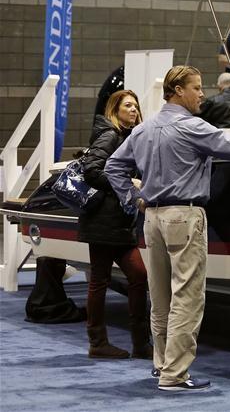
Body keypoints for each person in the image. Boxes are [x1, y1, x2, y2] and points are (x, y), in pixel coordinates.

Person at [105, 65, 230, 392]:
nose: (202, 94)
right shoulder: (192, 127)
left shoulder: (143, 130)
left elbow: (113, 166)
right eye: (197, 87)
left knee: (160, 297)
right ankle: (175, 375)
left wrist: (134, 199)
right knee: (187, 297)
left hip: (152, 219)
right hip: (184, 218)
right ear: (178, 91)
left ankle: (161, 365)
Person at [79, 90, 152, 359]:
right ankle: (99, 342)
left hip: (118, 222)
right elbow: (92, 171)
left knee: (138, 277)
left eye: (136, 106)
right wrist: (126, 182)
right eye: (127, 106)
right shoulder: (110, 135)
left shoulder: (126, 137)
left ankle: (140, 343)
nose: (133, 110)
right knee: (102, 280)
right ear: (115, 110)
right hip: (103, 222)